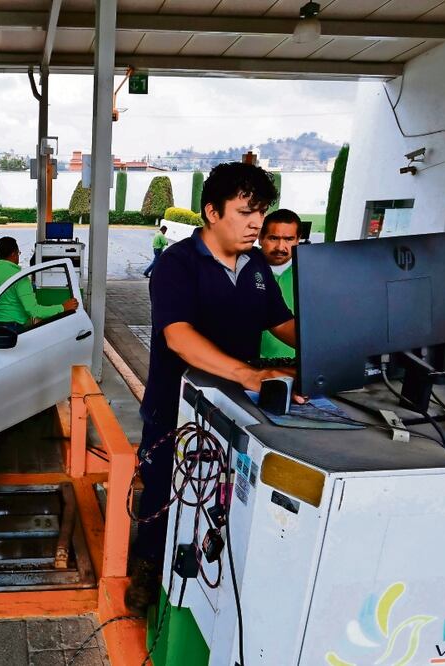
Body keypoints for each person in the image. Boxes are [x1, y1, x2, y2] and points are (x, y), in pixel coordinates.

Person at [125, 162, 297, 614]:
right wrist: (248, 374)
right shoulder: (177, 264)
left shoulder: (257, 264)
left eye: (261, 212)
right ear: (212, 212)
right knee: (166, 492)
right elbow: (177, 336)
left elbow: (281, 323)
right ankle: (146, 565)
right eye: (245, 212)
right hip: (175, 408)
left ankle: (206, 567)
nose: (256, 223)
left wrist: (334, 343)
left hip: (236, 409)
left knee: (222, 493)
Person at [0, 236, 78, 329]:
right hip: (13, 330)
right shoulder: (20, 277)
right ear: (13, 254)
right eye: (18, 253)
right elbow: (34, 311)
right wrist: (63, 307)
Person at [259, 209, 301, 359]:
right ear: (260, 238)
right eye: (273, 238)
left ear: (297, 240)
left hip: (297, 364)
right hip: (252, 365)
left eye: (289, 239)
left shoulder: (308, 274)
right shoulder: (243, 270)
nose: (280, 247)